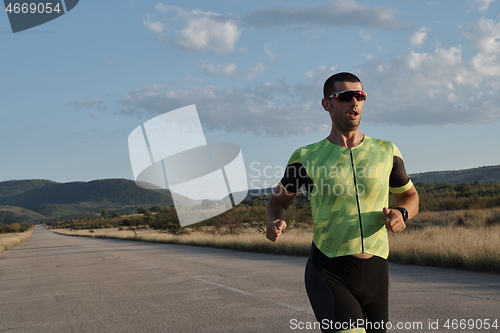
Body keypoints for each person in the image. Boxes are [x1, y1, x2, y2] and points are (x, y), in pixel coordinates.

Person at [266, 72, 419, 333]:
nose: (355, 103)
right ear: (327, 104)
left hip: (376, 269)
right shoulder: (306, 156)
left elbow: (410, 196)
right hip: (329, 269)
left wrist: (402, 213)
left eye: (360, 96)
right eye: (346, 97)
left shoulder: (386, 151)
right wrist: (275, 221)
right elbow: (278, 201)